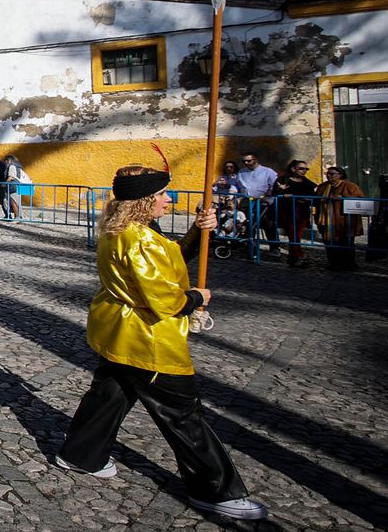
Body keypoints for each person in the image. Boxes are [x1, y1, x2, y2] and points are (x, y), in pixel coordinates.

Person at [55, 164, 267, 522]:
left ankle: (80, 455)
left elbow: (169, 258)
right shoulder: (139, 240)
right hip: (147, 338)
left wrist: (198, 232)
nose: (168, 200)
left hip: (120, 332)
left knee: (110, 395)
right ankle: (215, 490)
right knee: (181, 412)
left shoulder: (124, 230)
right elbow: (165, 298)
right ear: (143, 201)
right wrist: (196, 298)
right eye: (162, 195)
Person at [316, 166, 366, 272]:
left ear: (340, 175)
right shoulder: (323, 186)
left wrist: (343, 198)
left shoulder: (350, 186)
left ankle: (348, 264)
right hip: (326, 219)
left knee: (345, 243)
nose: (328, 175)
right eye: (327, 173)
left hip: (344, 221)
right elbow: (316, 200)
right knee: (329, 242)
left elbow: (360, 199)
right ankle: (334, 263)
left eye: (332, 174)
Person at [272, 159, 317, 267]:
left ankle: (295, 256)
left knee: (296, 235)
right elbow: (275, 193)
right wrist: (282, 192)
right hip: (286, 212)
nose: (304, 171)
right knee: (293, 234)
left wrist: (302, 199)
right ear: (293, 169)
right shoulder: (283, 180)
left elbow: (312, 198)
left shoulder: (307, 183)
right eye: (301, 168)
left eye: (306, 169)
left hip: (301, 212)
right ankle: (297, 256)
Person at [235, 152, 280, 258]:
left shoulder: (268, 172)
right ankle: (251, 248)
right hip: (247, 202)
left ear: (256, 160)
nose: (246, 163)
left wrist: (268, 194)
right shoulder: (241, 172)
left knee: (268, 224)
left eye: (248, 160)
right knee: (249, 224)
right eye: (244, 161)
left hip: (264, 202)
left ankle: (274, 247)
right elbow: (238, 186)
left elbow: (275, 186)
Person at [3, 155, 30, 219]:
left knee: (14, 203)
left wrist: (4, 183)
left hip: (13, 187)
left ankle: (17, 217)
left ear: (9, 160)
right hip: (16, 186)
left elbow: (11, 177)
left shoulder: (12, 166)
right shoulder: (17, 167)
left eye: (5, 160)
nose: (4, 161)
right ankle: (17, 217)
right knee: (12, 202)